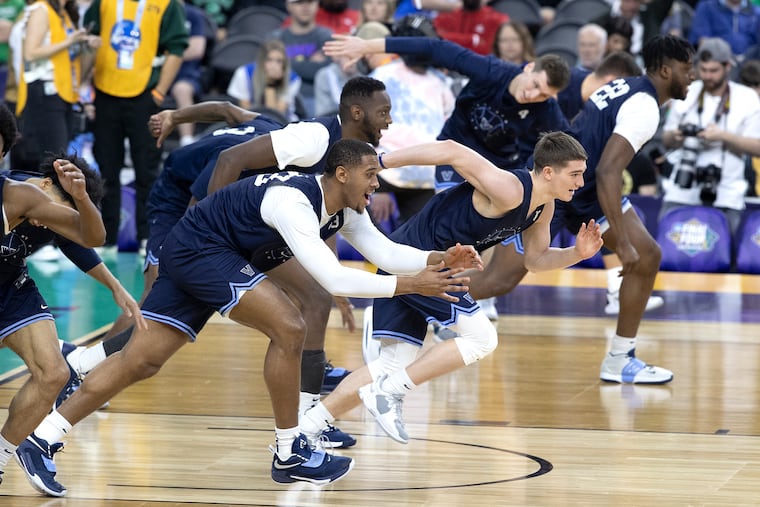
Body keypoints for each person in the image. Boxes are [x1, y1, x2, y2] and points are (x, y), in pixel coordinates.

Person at [16, 139, 483, 493]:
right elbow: (335, 280)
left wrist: (441, 257)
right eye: (370, 176)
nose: (377, 184)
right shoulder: (295, 202)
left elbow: (387, 251)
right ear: (341, 173)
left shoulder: (344, 208)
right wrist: (413, 285)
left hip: (200, 250)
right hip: (202, 248)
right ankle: (289, 450)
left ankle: (42, 439)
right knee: (289, 325)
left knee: (142, 360)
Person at [69, 77, 395, 455]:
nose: (389, 121)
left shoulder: (298, 142)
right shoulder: (303, 141)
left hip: (243, 216)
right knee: (158, 300)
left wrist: (176, 115)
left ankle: (309, 421)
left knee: (316, 295)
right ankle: (83, 368)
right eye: (384, 112)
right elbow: (215, 186)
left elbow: (227, 110)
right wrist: (212, 245)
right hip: (184, 199)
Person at [300, 132, 603, 445]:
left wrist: (577, 254)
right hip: (419, 261)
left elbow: (536, 261)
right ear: (549, 172)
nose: (580, 183)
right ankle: (389, 392)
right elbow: (452, 150)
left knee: (391, 364)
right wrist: (381, 162)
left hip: (421, 262)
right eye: (575, 174)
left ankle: (308, 428)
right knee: (482, 339)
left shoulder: (544, 207)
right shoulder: (511, 189)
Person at [476, 34, 695, 383]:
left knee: (648, 254)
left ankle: (621, 358)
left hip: (584, 187)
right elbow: (610, 171)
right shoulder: (645, 106)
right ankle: (415, 298)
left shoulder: (629, 85)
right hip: (560, 189)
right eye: (687, 69)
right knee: (498, 280)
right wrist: (621, 245)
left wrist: (627, 244)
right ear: (667, 71)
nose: (693, 76)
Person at [324, 29, 570, 320]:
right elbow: (434, 48)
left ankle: (456, 300)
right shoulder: (492, 71)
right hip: (454, 157)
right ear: (529, 67)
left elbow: (563, 151)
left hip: (494, 173)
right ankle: (414, 298)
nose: (533, 95)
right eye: (535, 85)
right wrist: (367, 45)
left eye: (544, 94)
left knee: (484, 237)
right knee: (451, 230)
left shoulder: (548, 112)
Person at [0, 103, 107, 488]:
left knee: (54, 373)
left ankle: (2, 456)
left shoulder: (18, 196)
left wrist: (80, 197)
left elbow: (92, 238)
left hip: (10, 288)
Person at [82, 0, 188, 254]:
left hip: (145, 95)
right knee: (106, 166)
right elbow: (89, 38)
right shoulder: (104, 2)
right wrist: (85, 87)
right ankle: (105, 236)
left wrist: (160, 92)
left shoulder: (166, 4)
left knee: (147, 168)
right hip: (106, 93)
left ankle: (147, 236)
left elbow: (177, 47)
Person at [660, 37, 760, 237]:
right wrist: (678, 135)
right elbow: (666, 139)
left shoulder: (746, 97)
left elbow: (757, 147)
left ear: (728, 66)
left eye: (714, 71)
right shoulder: (686, 90)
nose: (707, 76)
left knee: (724, 260)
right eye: (703, 70)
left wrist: (723, 137)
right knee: (667, 254)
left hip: (727, 192)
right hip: (682, 188)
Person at [12, 0, 101, 171]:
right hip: (45, 93)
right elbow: (30, 53)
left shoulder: (65, 14)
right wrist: (69, 41)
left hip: (64, 93)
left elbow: (70, 60)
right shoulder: (41, 10)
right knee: (54, 161)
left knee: (60, 159)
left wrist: (87, 46)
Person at [271, 0, 333, 118]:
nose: (305, 7)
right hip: (282, 98)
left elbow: (323, 72)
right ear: (288, 6)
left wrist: (285, 63)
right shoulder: (275, 38)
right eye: (299, 2)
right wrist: (308, 61)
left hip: (316, 98)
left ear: (317, 4)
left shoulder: (327, 36)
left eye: (310, 2)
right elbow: (269, 72)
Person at [226, 39, 302, 121]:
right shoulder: (243, 73)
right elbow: (246, 111)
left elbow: (275, 117)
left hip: (284, 123)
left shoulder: (293, 79)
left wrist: (271, 84)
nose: (274, 66)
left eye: (279, 61)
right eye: (269, 60)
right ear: (261, 61)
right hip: (250, 121)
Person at [168, 0, 208, 147]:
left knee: (182, 89)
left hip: (186, 72)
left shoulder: (193, 14)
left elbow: (197, 49)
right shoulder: (155, 11)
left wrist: (168, 54)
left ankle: (186, 141)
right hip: (157, 70)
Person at [432, 0, 508, 56]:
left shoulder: (496, 19)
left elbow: (487, 49)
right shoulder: (448, 15)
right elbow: (437, 37)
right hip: (447, 62)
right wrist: (472, 39)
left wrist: (452, 38)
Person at [689, 0, 759, 56]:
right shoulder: (706, 7)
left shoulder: (756, 12)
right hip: (717, 62)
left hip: (749, 64)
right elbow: (702, 41)